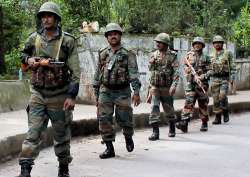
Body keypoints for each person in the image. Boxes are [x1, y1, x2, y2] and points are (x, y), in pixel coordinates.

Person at [18, 2, 80, 177]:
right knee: (33, 132)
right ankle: (25, 168)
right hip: (38, 93)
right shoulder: (34, 38)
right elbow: (22, 55)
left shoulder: (67, 41)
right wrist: (29, 60)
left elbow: (75, 71)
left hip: (59, 95)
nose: (46, 19)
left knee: (61, 134)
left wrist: (71, 96)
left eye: (49, 15)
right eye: (43, 16)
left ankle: (63, 166)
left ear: (56, 19)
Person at [93, 23, 141, 159]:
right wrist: (96, 95)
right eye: (110, 34)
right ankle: (109, 148)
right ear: (107, 37)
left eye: (116, 33)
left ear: (120, 35)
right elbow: (98, 73)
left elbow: (133, 73)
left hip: (122, 91)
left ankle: (128, 137)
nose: (113, 36)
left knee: (125, 118)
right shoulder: (102, 53)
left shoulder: (128, 54)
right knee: (104, 119)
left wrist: (136, 92)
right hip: (105, 90)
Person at [147, 33, 179, 141]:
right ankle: (155, 132)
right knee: (154, 108)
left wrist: (174, 85)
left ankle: (172, 128)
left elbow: (176, 72)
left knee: (168, 109)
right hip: (155, 86)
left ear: (166, 43)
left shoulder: (172, 56)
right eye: (157, 42)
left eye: (160, 42)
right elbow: (151, 71)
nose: (158, 44)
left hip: (167, 87)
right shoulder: (154, 54)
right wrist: (149, 88)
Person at [176, 37, 210, 133]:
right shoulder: (188, 56)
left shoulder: (206, 57)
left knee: (203, 103)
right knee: (188, 102)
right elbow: (185, 68)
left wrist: (202, 76)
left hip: (202, 84)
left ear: (202, 46)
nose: (197, 45)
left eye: (199, 44)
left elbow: (211, 70)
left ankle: (204, 122)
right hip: (191, 84)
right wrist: (190, 74)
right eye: (195, 44)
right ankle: (184, 123)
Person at [209, 35, 236, 124]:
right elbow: (207, 67)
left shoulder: (228, 53)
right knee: (216, 99)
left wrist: (232, 78)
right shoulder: (211, 54)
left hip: (224, 79)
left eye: (219, 42)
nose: (217, 44)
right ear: (213, 44)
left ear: (222, 44)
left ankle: (225, 111)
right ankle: (217, 118)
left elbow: (233, 66)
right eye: (215, 43)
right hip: (214, 79)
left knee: (222, 96)